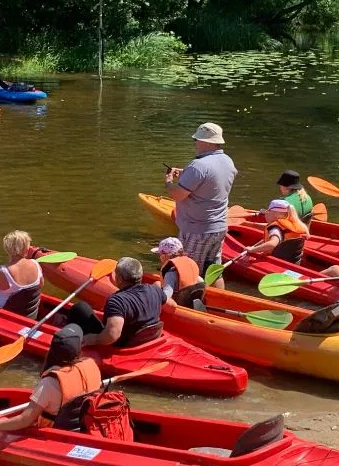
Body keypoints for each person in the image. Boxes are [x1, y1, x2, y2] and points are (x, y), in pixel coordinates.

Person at [0, 324, 102, 431]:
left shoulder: (50, 383)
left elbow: (24, 421)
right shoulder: (92, 365)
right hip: (83, 424)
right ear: (79, 350)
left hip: (55, 431)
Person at [164, 123, 237, 289]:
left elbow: (177, 195)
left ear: (207, 142)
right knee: (214, 270)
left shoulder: (198, 166)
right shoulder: (227, 161)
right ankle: (220, 298)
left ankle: (188, 302)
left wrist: (168, 182)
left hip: (197, 230)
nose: (196, 143)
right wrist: (185, 173)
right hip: (219, 227)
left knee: (188, 270)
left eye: (197, 139)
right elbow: (211, 178)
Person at [66, 257, 164, 347]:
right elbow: (170, 305)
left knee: (80, 307)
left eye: (116, 274)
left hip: (123, 344)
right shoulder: (154, 290)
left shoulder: (117, 300)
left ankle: (66, 330)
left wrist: (94, 339)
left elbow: (112, 335)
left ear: (120, 279)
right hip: (149, 338)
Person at [151, 237, 205, 307]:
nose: (159, 257)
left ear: (166, 255)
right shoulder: (187, 266)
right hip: (191, 302)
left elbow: (166, 295)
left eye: (160, 254)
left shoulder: (170, 273)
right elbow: (201, 281)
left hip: (178, 304)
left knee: (156, 284)